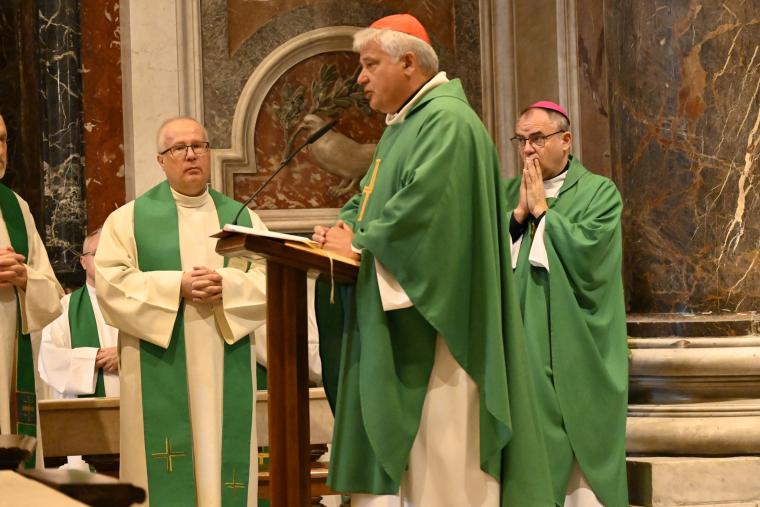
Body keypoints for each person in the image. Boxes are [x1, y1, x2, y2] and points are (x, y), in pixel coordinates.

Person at [313, 15, 554, 507]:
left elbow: (428, 214)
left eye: (369, 65)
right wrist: (341, 230)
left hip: (442, 330)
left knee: (442, 462)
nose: (360, 78)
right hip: (409, 317)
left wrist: (358, 245)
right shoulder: (404, 125)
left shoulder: (447, 122)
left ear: (408, 63)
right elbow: (370, 197)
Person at [94, 117, 267, 506]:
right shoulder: (128, 220)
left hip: (224, 362)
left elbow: (271, 277)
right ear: (161, 160)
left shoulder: (242, 219)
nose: (191, 155)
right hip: (159, 364)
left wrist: (227, 286)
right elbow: (110, 285)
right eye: (178, 148)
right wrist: (177, 287)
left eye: (199, 146)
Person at [504, 101, 628, 506]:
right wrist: (518, 215)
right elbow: (484, 262)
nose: (527, 149)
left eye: (537, 139)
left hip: (574, 344)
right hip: (521, 342)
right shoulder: (508, 194)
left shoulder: (599, 193)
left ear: (566, 140)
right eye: (521, 140)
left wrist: (544, 213)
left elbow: (592, 257)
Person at [0, 112, 63, 447]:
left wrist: (26, 279)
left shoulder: (16, 207)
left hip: (10, 362)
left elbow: (52, 293)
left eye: (2, 140)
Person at [39, 228, 119, 399]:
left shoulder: (135, 303)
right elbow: (49, 358)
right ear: (83, 262)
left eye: (110, 253)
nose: (105, 259)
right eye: (97, 253)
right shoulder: (64, 307)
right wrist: (94, 358)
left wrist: (125, 357)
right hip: (84, 411)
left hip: (134, 403)